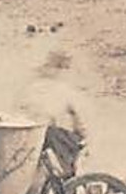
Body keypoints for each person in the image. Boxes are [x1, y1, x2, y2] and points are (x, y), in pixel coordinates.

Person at [17, 51, 88, 179]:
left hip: (27, 137)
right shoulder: (64, 90)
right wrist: (83, 136)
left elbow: (19, 111)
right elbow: (79, 120)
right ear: (62, 70)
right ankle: (68, 182)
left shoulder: (31, 87)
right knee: (70, 146)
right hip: (49, 137)